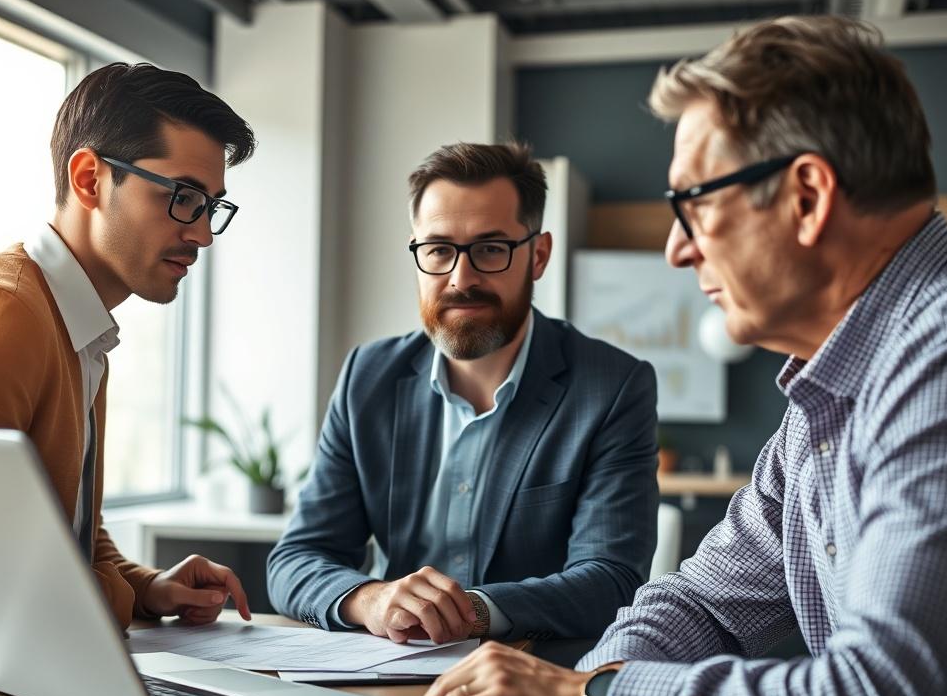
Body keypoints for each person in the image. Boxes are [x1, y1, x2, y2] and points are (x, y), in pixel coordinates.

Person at [407, 16, 947, 696]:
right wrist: (580, 690)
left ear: (805, 196)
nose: (676, 248)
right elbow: (700, 604)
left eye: (692, 203)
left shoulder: (939, 360)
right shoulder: (826, 398)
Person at [268, 142, 658, 645]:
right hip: (388, 668)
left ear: (537, 256)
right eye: (438, 249)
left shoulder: (611, 387)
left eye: (491, 249)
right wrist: (373, 600)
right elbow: (295, 559)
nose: (461, 278)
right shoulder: (368, 376)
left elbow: (611, 581)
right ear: (416, 253)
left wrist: (472, 611)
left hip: (530, 679)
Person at [0, 62, 257, 644]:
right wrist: (119, 596)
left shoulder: (79, 325)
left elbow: (62, 525)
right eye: (184, 197)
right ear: (89, 179)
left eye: (211, 206)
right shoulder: (2, 312)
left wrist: (150, 586)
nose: (203, 234)